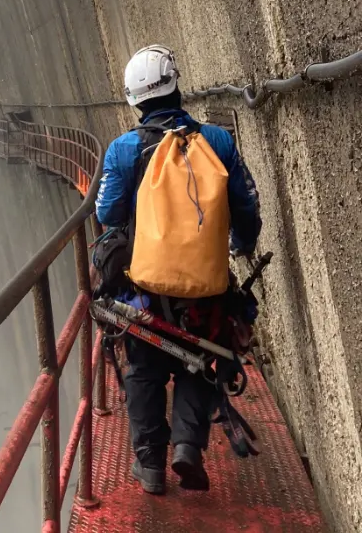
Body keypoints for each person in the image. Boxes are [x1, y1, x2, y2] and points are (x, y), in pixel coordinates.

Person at [95, 45, 262, 495]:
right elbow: (246, 205)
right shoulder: (219, 142)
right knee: (201, 361)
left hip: (144, 287)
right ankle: (188, 446)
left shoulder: (123, 150)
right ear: (178, 88)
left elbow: (107, 214)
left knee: (145, 370)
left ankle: (149, 465)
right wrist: (241, 245)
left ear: (134, 100)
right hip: (206, 286)